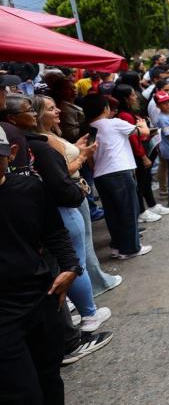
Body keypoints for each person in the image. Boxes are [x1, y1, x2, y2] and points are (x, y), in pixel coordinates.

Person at [0, 126, 95, 404]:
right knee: (22, 391)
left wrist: (70, 268)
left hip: (40, 299)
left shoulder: (29, 189)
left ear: (12, 154)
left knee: (50, 378)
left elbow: (54, 232)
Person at [27, 94, 114, 334]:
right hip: (66, 201)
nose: (57, 112)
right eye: (50, 108)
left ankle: (78, 310)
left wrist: (77, 147)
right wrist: (84, 155)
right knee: (75, 260)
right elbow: (61, 171)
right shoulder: (42, 141)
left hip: (66, 199)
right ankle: (89, 314)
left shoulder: (45, 137)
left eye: (56, 107)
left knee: (72, 258)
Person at [82, 93, 153, 259]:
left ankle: (117, 246)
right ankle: (130, 248)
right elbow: (143, 134)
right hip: (119, 171)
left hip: (101, 175)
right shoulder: (114, 123)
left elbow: (90, 157)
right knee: (128, 210)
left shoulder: (89, 127)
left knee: (112, 212)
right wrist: (143, 124)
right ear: (105, 108)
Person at [113, 84, 169, 222]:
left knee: (146, 180)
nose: (135, 97)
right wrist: (143, 156)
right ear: (126, 99)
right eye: (132, 95)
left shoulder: (129, 113)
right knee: (140, 182)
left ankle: (151, 204)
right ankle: (141, 211)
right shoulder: (125, 115)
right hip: (138, 154)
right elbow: (133, 139)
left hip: (143, 151)